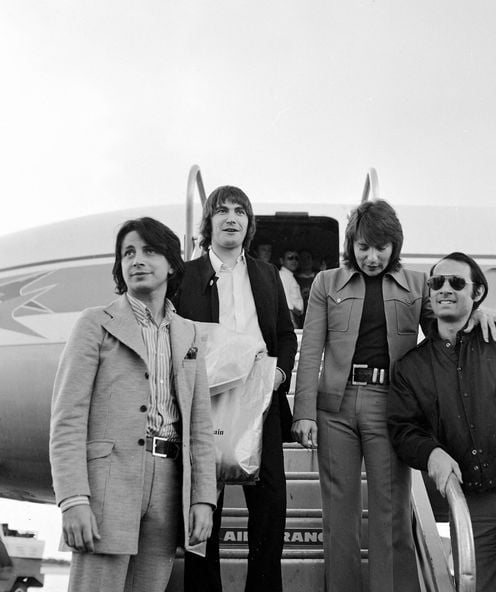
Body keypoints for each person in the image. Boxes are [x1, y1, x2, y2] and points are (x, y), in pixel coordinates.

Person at [291, 200, 496, 592]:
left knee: (391, 511)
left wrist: (475, 312)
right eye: (363, 247)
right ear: (351, 245)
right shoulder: (326, 283)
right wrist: (303, 412)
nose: (372, 257)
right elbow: (310, 352)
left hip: (387, 405)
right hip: (334, 408)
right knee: (339, 517)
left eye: (381, 248)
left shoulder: (418, 283)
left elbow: (444, 324)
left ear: (395, 246)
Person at [50, 217, 216, 592]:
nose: (137, 260)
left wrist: (203, 498)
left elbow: (200, 425)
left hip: (169, 487)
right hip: (107, 485)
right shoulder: (95, 323)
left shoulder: (188, 333)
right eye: (128, 253)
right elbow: (67, 418)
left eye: (149, 251)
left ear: (173, 264)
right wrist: (73, 498)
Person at [388, 252, 496, 592]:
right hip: (469, 501)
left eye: (456, 282)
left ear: (477, 293)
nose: (444, 289)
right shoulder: (411, 367)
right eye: (437, 283)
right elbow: (404, 429)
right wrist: (431, 453)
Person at [173, 185, 297, 592]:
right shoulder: (186, 276)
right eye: (222, 210)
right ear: (208, 223)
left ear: (249, 222)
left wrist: (277, 380)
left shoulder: (267, 275)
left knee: (270, 510)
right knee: (206, 510)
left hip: (260, 401)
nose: (232, 218)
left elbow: (284, 335)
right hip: (206, 404)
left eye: (240, 211)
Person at [279, 248, 304, 328]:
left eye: (296, 258)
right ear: (282, 261)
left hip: (296, 317)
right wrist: (293, 323)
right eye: (290, 258)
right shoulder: (282, 276)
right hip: (291, 318)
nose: (294, 261)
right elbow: (286, 303)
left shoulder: (290, 276)